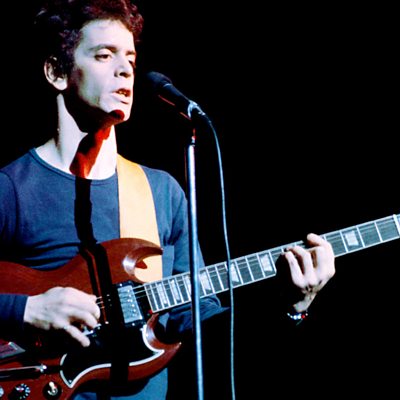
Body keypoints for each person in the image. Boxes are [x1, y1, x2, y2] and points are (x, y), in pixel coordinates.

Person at [0, 1, 336, 399]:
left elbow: (198, 322)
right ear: (57, 72)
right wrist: (26, 310)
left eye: (130, 58)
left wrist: (292, 305)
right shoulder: (12, 187)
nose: (125, 70)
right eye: (104, 55)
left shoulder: (160, 191)